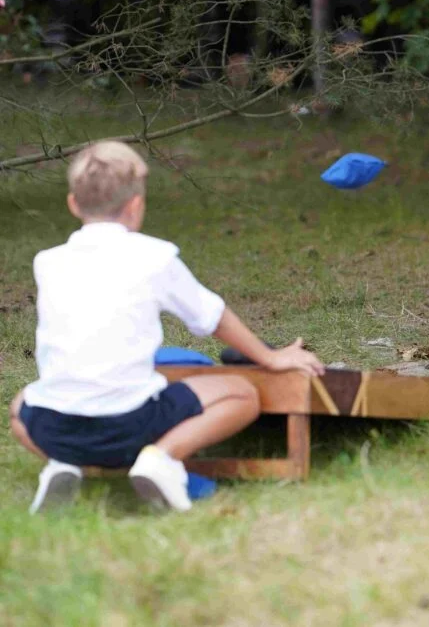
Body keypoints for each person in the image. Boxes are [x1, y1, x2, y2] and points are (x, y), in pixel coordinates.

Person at [9, 140, 324, 514]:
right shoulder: (155, 256)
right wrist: (269, 357)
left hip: (53, 425)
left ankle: (67, 463)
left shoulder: (47, 262)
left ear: (73, 204)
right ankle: (159, 458)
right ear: (136, 205)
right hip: (131, 424)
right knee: (242, 395)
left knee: (18, 407)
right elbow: (212, 317)